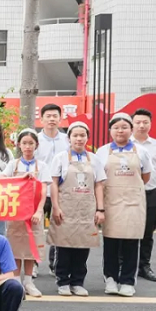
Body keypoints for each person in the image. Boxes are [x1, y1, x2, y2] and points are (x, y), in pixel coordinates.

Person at [96, 113, 153, 297]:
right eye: (116, 127)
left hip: (133, 202)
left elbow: (145, 176)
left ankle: (128, 280)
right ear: (110, 130)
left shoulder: (141, 151)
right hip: (110, 202)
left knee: (131, 241)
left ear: (131, 130)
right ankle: (110, 278)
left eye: (124, 127)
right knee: (110, 242)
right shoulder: (103, 151)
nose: (120, 131)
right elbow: (97, 178)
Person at [48, 121, 106, 296]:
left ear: (87, 138)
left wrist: (100, 209)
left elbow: (98, 185)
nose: (79, 138)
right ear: (69, 138)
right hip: (66, 208)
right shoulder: (60, 158)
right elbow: (54, 183)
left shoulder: (94, 159)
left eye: (82, 135)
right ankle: (63, 281)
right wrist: (55, 207)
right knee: (64, 246)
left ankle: (78, 282)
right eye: (75, 135)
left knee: (83, 246)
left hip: (86, 209)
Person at [1, 128, 50, 297]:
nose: (28, 147)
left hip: (33, 215)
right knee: (15, 248)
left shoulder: (42, 166)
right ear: (18, 145)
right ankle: (15, 282)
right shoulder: (13, 165)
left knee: (30, 248)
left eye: (31, 143)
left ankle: (28, 281)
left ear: (36, 145)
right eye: (24, 143)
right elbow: (2, 182)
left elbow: (43, 191)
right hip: (16, 214)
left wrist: (39, 211)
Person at [132, 108, 156, 283]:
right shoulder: (125, 143)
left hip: (150, 192)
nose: (141, 125)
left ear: (150, 124)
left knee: (148, 231)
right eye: (138, 122)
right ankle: (123, 265)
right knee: (126, 230)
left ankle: (144, 266)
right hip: (129, 193)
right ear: (132, 123)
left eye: (145, 122)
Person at [35, 103, 70, 273]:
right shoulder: (35, 140)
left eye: (55, 116)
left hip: (61, 191)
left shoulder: (67, 140)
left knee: (58, 228)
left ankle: (54, 264)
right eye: (47, 116)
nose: (51, 119)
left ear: (60, 118)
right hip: (38, 192)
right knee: (35, 229)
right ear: (41, 119)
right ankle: (33, 264)